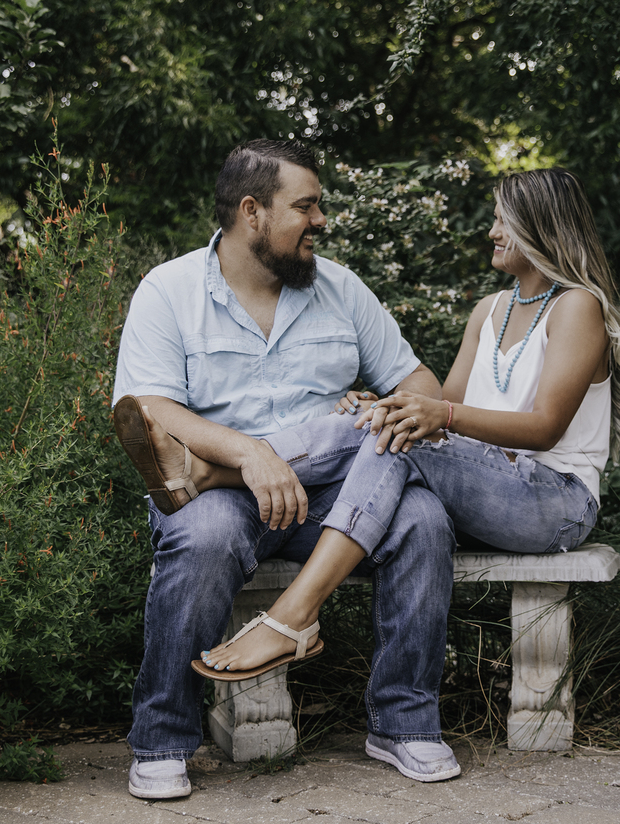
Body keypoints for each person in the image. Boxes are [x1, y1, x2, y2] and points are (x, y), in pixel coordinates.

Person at [123, 168, 620, 715]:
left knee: (395, 437)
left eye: (503, 220)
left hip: (552, 501)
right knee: (389, 430)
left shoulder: (578, 305)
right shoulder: (490, 310)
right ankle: (257, 557)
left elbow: (542, 428)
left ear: (541, 227)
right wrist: (385, 409)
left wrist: (425, 412)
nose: (492, 231)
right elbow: (442, 421)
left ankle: (258, 555)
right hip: (488, 485)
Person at [111, 139, 461, 800]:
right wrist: (247, 451)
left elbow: (418, 381)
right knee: (203, 534)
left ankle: (403, 724)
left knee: (419, 517)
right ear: (253, 213)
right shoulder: (170, 289)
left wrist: (386, 404)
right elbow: (148, 404)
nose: (321, 220)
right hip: (228, 494)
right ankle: (162, 738)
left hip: (331, 498)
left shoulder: (341, 290)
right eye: (306, 206)